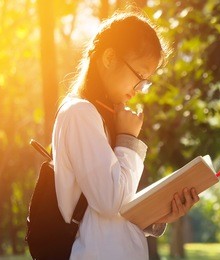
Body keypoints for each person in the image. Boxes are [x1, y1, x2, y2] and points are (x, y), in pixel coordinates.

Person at [52, 11, 200, 259]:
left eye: (146, 82)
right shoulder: (80, 113)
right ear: (109, 57)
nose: (138, 90)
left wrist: (155, 215)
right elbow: (109, 201)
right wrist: (128, 140)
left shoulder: (101, 116)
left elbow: (110, 211)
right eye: (140, 76)